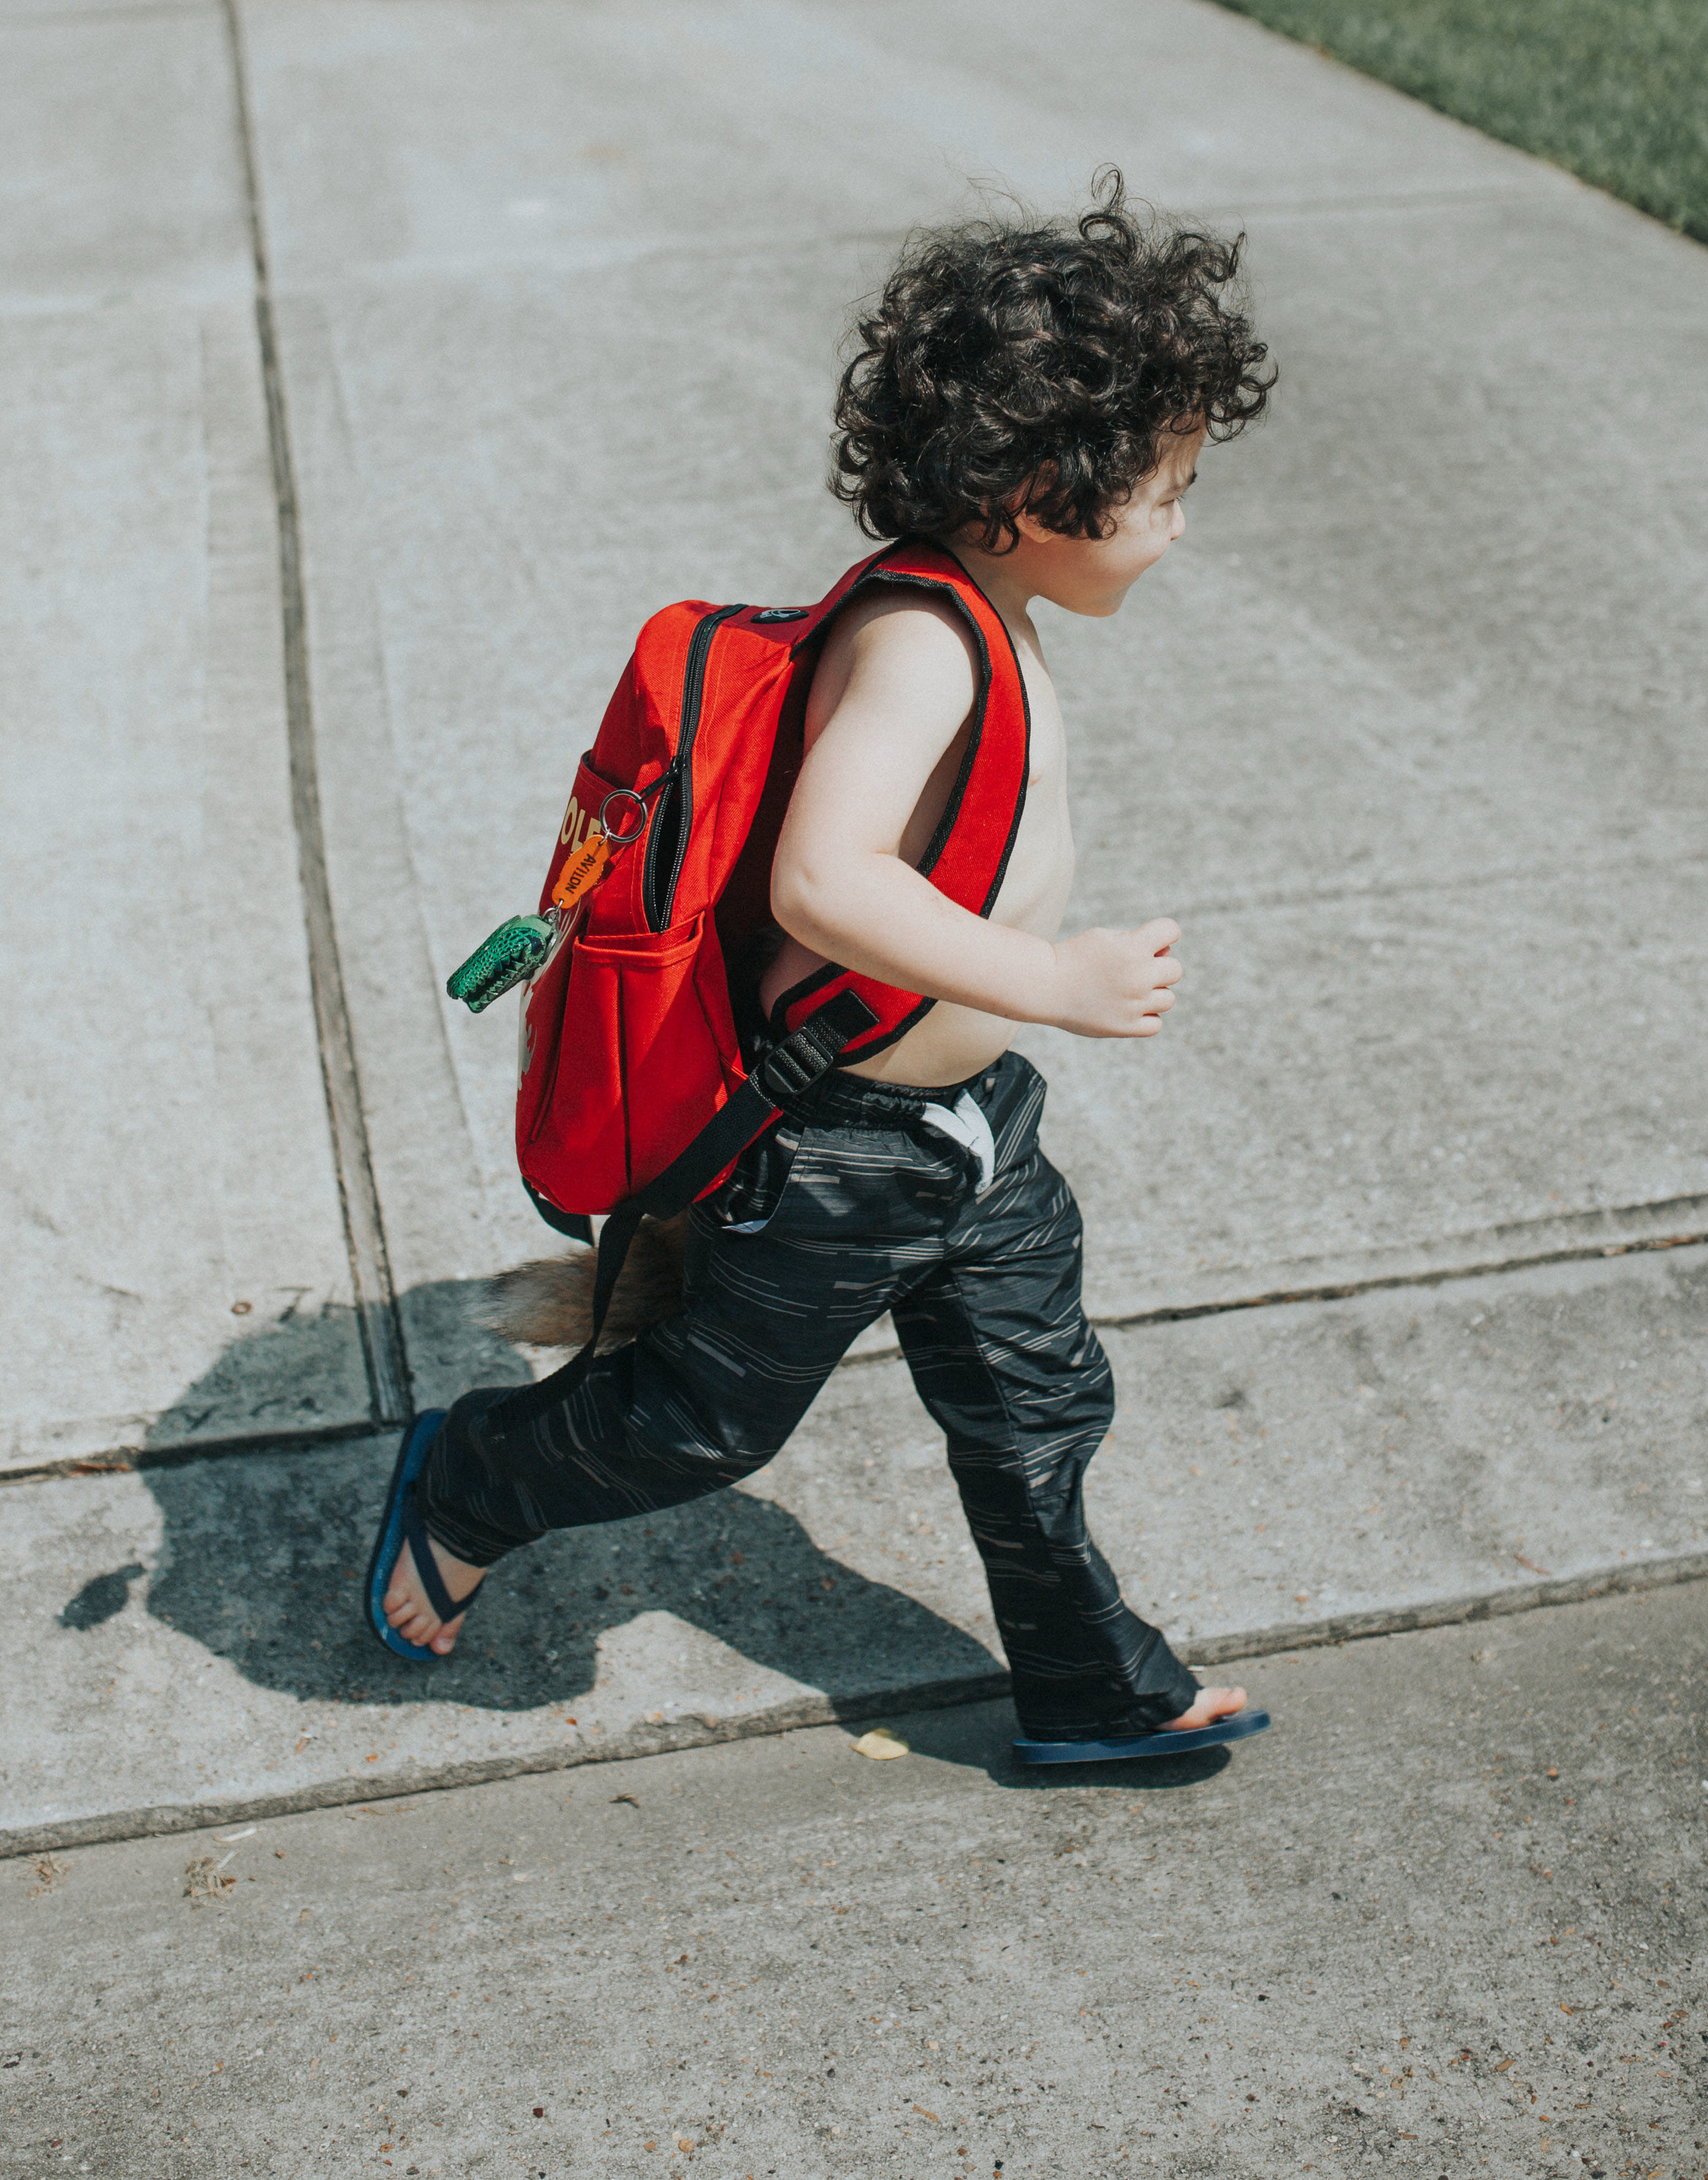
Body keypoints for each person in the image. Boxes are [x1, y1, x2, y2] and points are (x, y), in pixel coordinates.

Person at [376, 171, 1274, 1753]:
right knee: (696, 1425)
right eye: (1169, 484)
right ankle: (467, 1480)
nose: (1183, 518)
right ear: (1038, 490)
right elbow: (820, 880)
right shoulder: (922, 642)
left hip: (968, 1132)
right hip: (832, 1151)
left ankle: (1086, 1679)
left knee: (1036, 1403)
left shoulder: (987, 605)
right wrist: (1049, 977)